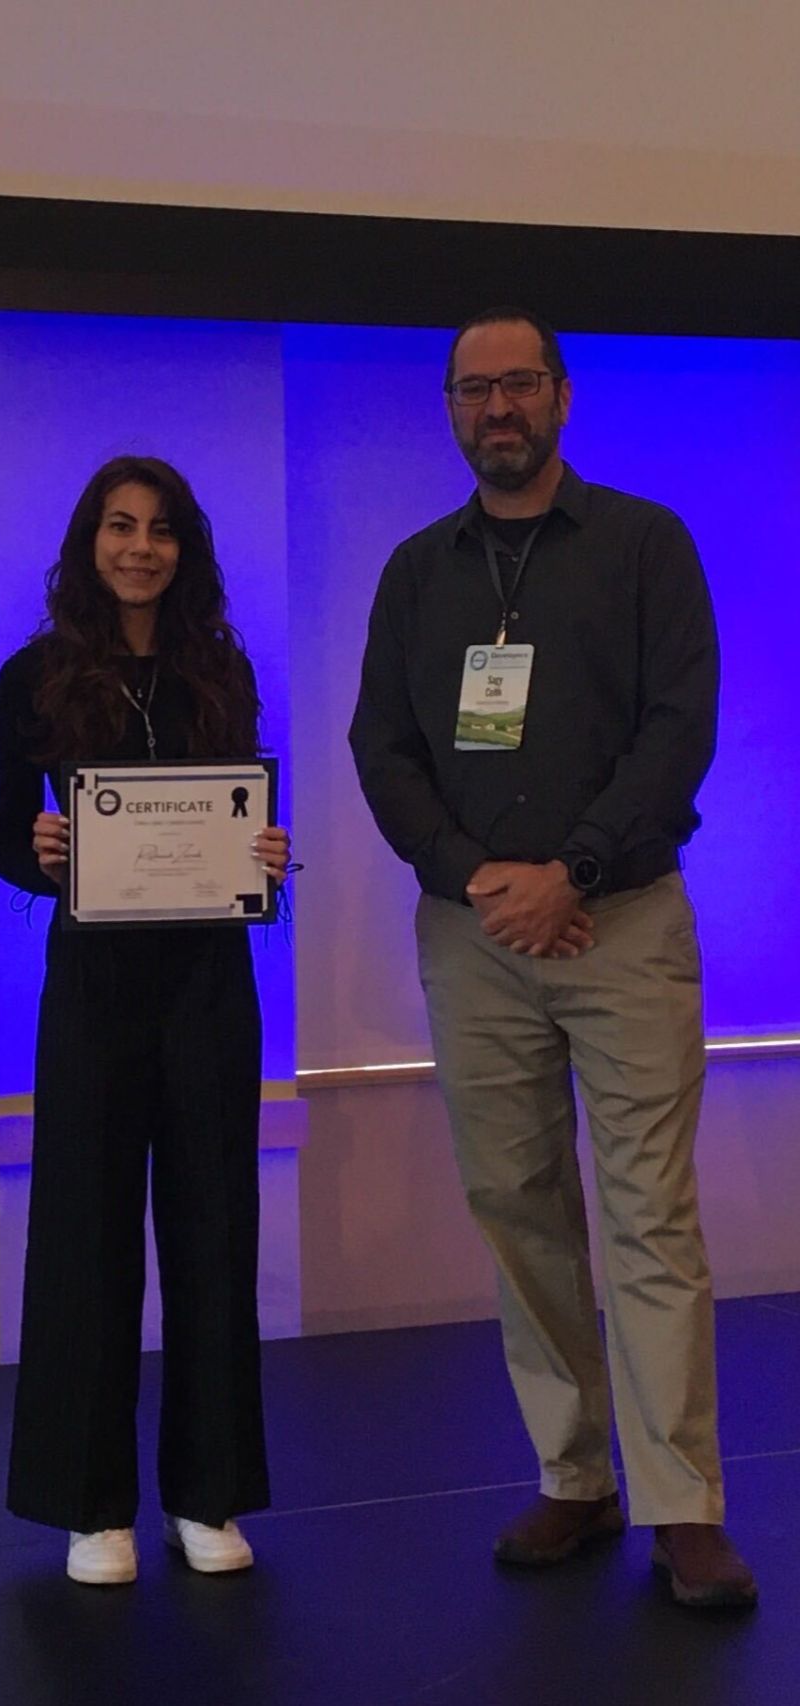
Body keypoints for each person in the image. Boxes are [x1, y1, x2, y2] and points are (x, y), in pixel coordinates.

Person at [348, 307, 756, 1609]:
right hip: (474, 933)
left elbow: (678, 728)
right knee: (517, 1206)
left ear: (562, 397)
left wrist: (569, 870)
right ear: (451, 409)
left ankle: (683, 1504)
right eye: (473, 389)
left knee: (648, 1213)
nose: (497, 407)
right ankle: (575, 1474)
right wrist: (478, 876)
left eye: (519, 382)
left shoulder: (644, 544)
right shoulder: (417, 572)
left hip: (618, 920)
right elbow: (379, 746)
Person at [0, 456, 290, 1585]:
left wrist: (266, 855)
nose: (140, 548)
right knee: (85, 1234)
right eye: (120, 526)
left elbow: (241, 821)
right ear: (89, 541)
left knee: (216, 1230)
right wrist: (41, 850)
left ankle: (206, 1495)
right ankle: (91, 1506)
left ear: (184, 548)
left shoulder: (221, 669)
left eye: (160, 530)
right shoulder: (35, 675)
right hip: (94, 986)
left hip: (209, 981)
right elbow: (3, 841)